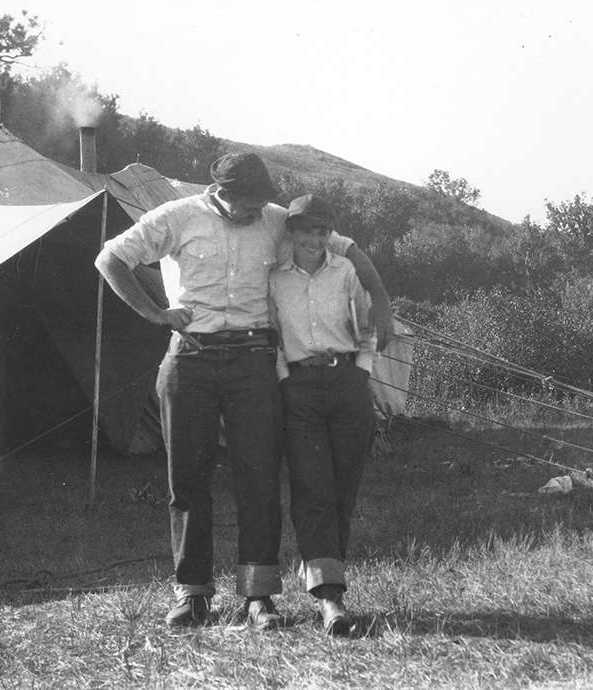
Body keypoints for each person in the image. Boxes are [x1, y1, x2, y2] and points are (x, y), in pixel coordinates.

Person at [94, 153, 393, 628]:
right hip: (189, 358)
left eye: (262, 203)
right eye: (249, 204)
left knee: (257, 477)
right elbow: (110, 257)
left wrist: (380, 301)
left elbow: (346, 248)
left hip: (254, 362)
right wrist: (155, 314)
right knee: (187, 480)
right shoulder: (176, 216)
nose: (258, 212)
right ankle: (191, 592)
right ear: (224, 195)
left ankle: (259, 596)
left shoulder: (276, 219)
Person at [269, 194, 377, 636]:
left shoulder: (346, 271)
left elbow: (366, 327)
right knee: (313, 489)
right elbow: (272, 335)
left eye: (322, 231)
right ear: (291, 232)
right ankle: (330, 600)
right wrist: (285, 381)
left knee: (342, 493)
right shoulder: (274, 280)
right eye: (306, 230)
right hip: (301, 389)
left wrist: (361, 374)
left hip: (348, 384)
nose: (314, 239)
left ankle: (321, 570)